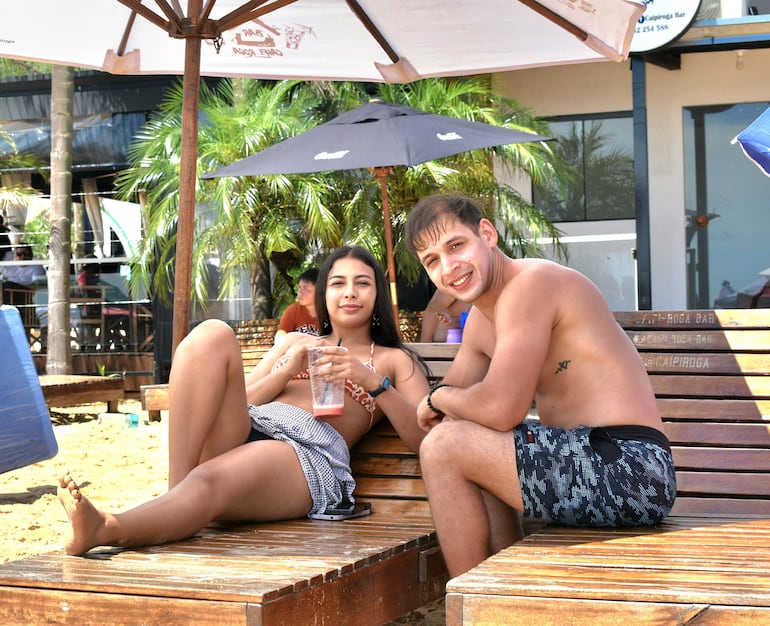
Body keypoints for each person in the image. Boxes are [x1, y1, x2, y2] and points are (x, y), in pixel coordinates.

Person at [57, 245, 430, 556]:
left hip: (305, 453)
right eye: (338, 283)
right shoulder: (292, 342)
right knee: (211, 333)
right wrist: (285, 370)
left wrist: (369, 381)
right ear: (324, 294)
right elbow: (241, 399)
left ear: (377, 293)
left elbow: (422, 436)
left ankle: (105, 528)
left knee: (208, 479)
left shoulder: (394, 360)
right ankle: (175, 498)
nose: (349, 292)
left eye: (362, 283)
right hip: (252, 424)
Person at [404, 193, 676, 577]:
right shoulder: (482, 321)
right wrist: (428, 398)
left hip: (631, 469)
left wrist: (442, 397)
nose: (449, 266)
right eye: (432, 260)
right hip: (585, 459)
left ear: (487, 233)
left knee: (449, 445)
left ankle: (469, 609)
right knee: (456, 437)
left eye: (456, 245)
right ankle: (499, 593)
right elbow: (440, 417)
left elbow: (499, 409)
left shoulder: (532, 284)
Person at [274, 267, 319, 342]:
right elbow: (280, 336)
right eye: (300, 287)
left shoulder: (330, 311)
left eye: (306, 289)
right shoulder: (293, 310)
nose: (300, 292)